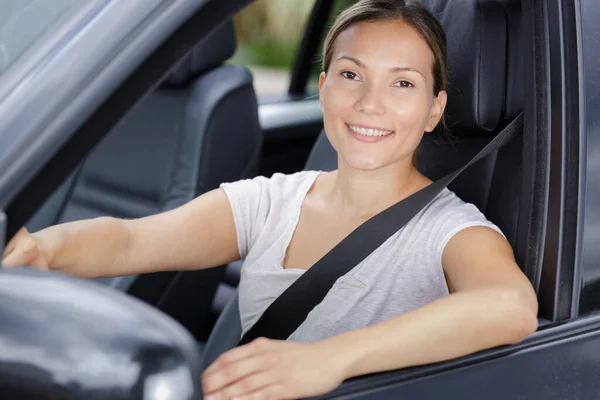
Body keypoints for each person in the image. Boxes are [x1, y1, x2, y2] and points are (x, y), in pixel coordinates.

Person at [2, 0, 538, 399]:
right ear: (324, 86)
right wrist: (42, 252)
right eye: (351, 75)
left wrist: (328, 360)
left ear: (433, 109)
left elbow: (509, 307)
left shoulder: (451, 231)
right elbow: (129, 240)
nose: (370, 103)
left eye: (402, 84)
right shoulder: (269, 202)